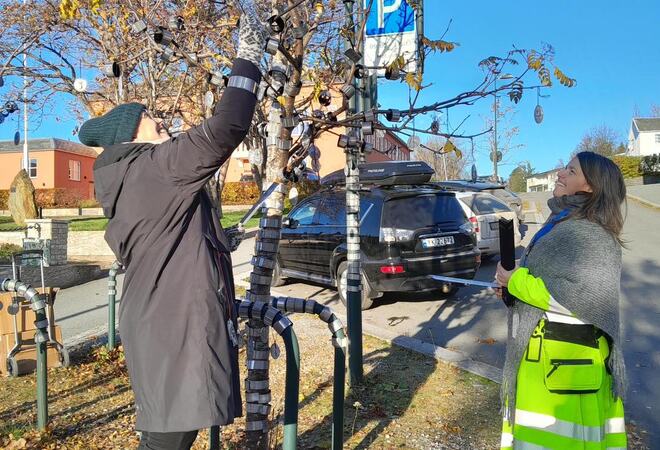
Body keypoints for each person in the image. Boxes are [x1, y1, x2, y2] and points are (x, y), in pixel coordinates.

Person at [78, 13, 268, 450]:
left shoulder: (130, 177)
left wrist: (217, 241)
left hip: (158, 322)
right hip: (172, 328)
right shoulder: (153, 167)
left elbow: (168, 236)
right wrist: (248, 60)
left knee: (168, 430)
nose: (163, 122)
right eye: (152, 119)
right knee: (167, 439)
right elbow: (227, 127)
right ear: (131, 135)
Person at [495, 151, 627, 449]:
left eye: (570, 170)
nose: (560, 174)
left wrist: (516, 281)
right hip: (540, 366)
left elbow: (581, 297)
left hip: (570, 378)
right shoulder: (559, 224)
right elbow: (541, 286)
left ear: (590, 186)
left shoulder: (594, 234)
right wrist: (510, 289)